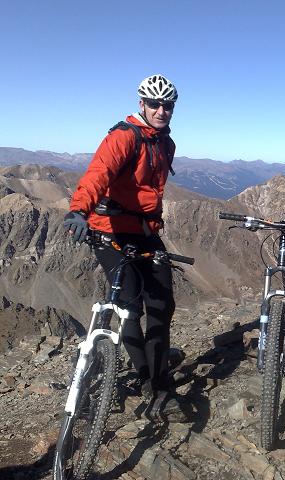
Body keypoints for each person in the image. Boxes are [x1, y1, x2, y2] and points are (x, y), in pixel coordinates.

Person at [63, 74, 187, 421]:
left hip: (145, 232)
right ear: (141, 105)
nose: (162, 110)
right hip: (109, 232)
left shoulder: (166, 143)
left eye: (168, 105)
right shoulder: (123, 136)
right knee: (129, 304)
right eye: (155, 104)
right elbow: (97, 173)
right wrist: (78, 210)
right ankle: (151, 384)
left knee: (162, 305)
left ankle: (158, 382)